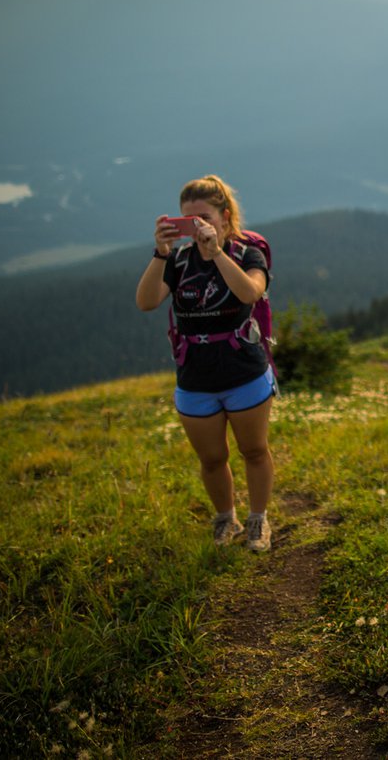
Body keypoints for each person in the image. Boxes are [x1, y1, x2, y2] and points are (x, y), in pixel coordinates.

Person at [136, 175, 276, 552]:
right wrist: (161, 252)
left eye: (204, 217)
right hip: (195, 377)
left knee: (255, 451)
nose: (196, 226)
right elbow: (146, 302)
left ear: (224, 216)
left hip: (243, 369)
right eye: (187, 220)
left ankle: (258, 520)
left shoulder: (248, 253)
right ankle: (225, 517)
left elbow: (251, 292)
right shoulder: (178, 260)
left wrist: (217, 254)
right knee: (212, 458)